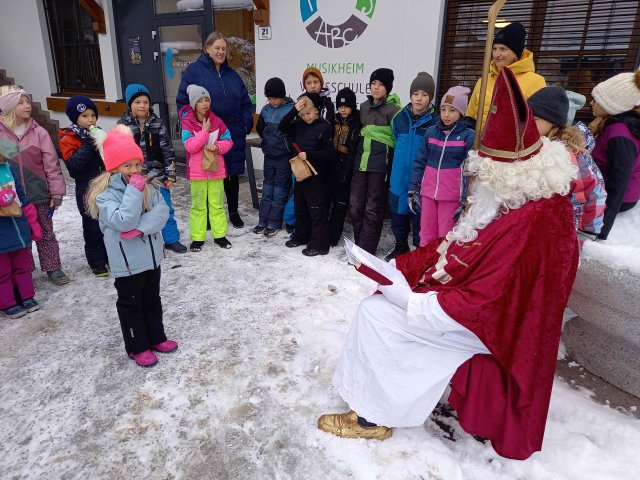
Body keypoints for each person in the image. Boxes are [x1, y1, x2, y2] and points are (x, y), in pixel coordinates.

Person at [317, 67, 580, 461]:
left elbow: (493, 299)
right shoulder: (522, 195)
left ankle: (372, 418)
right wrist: (404, 268)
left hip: (496, 327)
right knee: (382, 306)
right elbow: (465, 240)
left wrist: (415, 301)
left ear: (511, 171)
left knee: (378, 317)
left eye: (489, 174)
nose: (482, 185)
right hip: (478, 307)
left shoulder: (536, 216)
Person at [86, 125, 177, 368]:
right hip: (127, 265)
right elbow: (123, 220)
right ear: (113, 167)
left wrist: (141, 228)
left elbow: (162, 212)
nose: (135, 170)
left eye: (137, 164)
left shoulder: (148, 185)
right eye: (127, 166)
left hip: (151, 258)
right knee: (131, 306)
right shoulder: (105, 195)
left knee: (152, 300)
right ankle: (137, 346)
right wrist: (134, 193)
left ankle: (156, 337)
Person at [176, 31, 253, 229]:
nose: (220, 52)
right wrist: (192, 124)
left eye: (224, 49)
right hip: (206, 131)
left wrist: (245, 123)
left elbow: (246, 102)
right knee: (210, 173)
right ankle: (209, 215)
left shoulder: (233, 75)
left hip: (232, 130)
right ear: (207, 49)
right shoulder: (194, 72)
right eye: (217, 48)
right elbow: (182, 103)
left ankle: (233, 212)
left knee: (232, 173)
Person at [0, 86, 68, 285]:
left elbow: (52, 165)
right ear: (8, 107)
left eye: (27, 101)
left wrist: (56, 193)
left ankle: (53, 267)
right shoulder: (2, 135)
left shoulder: (39, 132)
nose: (27, 106)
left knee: (46, 233)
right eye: (20, 102)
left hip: (39, 194)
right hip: (11, 198)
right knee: (20, 235)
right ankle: (24, 269)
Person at [118, 84, 187, 254]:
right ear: (130, 104)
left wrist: (170, 175)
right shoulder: (122, 126)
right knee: (138, 211)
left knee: (165, 209)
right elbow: (119, 154)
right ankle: (143, 241)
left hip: (158, 177)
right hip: (133, 178)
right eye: (137, 102)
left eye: (146, 102)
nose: (142, 106)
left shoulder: (157, 123)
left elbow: (168, 152)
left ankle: (171, 239)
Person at [528, 87, 606, 235]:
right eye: (525, 117)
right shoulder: (527, 144)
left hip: (561, 229)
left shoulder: (569, 155)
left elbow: (593, 194)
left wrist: (586, 232)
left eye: (535, 119)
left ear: (554, 123)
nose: (527, 123)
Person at [408, 86, 475, 246]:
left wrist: (466, 199)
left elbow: (470, 170)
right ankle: (423, 266)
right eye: (443, 109)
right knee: (425, 233)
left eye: (452, 110)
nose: (446, 114)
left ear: (461, 112)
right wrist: (413, 188)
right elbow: (420, 162)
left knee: (445, 235)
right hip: (428, 193)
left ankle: (440, 268)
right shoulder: (431, 132)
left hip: (451, 197)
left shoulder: (468, 136)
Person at [386, 72, 439, 260]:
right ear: (410, 95)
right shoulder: (399, 118)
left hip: (422, 180)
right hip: (399, 177)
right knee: (398, 213)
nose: (419, 98)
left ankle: (419, 251)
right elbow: (393, 142)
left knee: (420, 216)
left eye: (424, 95)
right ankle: (400, 246)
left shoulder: (436, 122)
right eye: (416, 93)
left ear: (430, 98)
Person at [349, 68, 402, 255]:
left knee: (373, 208)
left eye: (381, 84)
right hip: (361, 162)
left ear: (388, 88)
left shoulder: (395, 110)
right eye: (373, 84)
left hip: (380, 164)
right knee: (355, 205)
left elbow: (397, 138)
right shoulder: (364, 106)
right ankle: (359, 245)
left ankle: (366, 251)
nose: (376, 87)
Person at [58, 96, 110, 276]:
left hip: (105, 184)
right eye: (85, 116)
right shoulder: (68, 138)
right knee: (92, 225)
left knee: (108, 222)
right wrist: (88, 146)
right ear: (75, 118)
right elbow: (73, 167)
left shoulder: (99, 133)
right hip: (86, 188)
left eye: (93, 115)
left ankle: (111, 255)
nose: (90, 120)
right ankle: (97, 262)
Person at [283, 67, 337, 236]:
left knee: (318, 201)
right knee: (298, 197)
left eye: (316, 82)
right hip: (300, 161)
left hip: (319, 162)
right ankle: (297, 227)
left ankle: (317, 233)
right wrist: (295, 110)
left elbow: (328, 130)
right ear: (304, 84)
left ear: (321, 83)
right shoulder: (300, 102)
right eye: (309, 82)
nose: (313, 85)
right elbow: (286, 127)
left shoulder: (327, 104)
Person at [180, 85, 234, 251]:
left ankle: (219, 235)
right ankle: (197, 238)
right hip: (198, 174)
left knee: (217, 204)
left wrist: (217, 147)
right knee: (198, 205)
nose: (204, 104)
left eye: (207, 100)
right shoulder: (187, 123)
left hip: (216, 171)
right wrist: (204, 132)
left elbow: (229, 141)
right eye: (200, 101)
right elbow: (189, 146)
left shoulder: (217, 121)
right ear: (193, 104)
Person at [279, 93, 333, 256]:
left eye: (308, 113)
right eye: (302, 114)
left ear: (317, 110)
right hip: (301, 172)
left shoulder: (325, 127)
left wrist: (309, 154)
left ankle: (320, 244)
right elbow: (282, 126)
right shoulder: (299, 123)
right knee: (300, 207)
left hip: (317, 175)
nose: (305, 117)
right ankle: (301, 236)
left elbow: (329, 153)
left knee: (316, 210)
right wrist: (295, 110)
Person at [465, 22, 546, 130]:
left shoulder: (535, 82)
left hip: (510, 145)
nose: (496, 54)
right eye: (494, 49)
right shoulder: (484, 80)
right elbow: (470, 115)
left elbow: (538, 123)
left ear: (516, 53)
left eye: (503, 49)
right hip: (479, 144)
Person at [589, 70, 640, 239]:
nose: (591, 103)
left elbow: (619, 182)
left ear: (611, 105)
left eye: (596, 100)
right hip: (605, 189)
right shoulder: (612, 124)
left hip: (620, 198)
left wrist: (601, 230)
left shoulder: (620, 135)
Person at [0, 146, 42, 318]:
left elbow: (21, 195)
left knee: (22, 266)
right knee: (2, 272)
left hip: (18, 226)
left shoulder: (7, 168)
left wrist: (31, 220)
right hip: (2, 234)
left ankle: (26, 296)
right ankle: (7, 302)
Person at [253, 77, 295, 237]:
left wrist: (284, 144)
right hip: (269, 156)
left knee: (279, 190)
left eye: (275, 98)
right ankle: (262, 220)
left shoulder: (290, 110)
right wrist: (268, 144)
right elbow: (261, 128)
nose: (272, 101)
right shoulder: (265, 110)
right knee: (267, 188)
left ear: (282, 96)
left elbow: (293, 133)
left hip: (283, 157)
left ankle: (274, 222)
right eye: (269, 98)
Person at [327, 87, 361, 246]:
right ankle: (322, 233)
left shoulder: (356, 123)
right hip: (331, 164)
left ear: (352, 107)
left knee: (340, 205)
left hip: (346, 166)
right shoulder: (333, 120)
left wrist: (346, 172)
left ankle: (333, 237)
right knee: (326, 201)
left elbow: (354, 150)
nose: (342, 109)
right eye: (340, 106)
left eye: (346, 106)